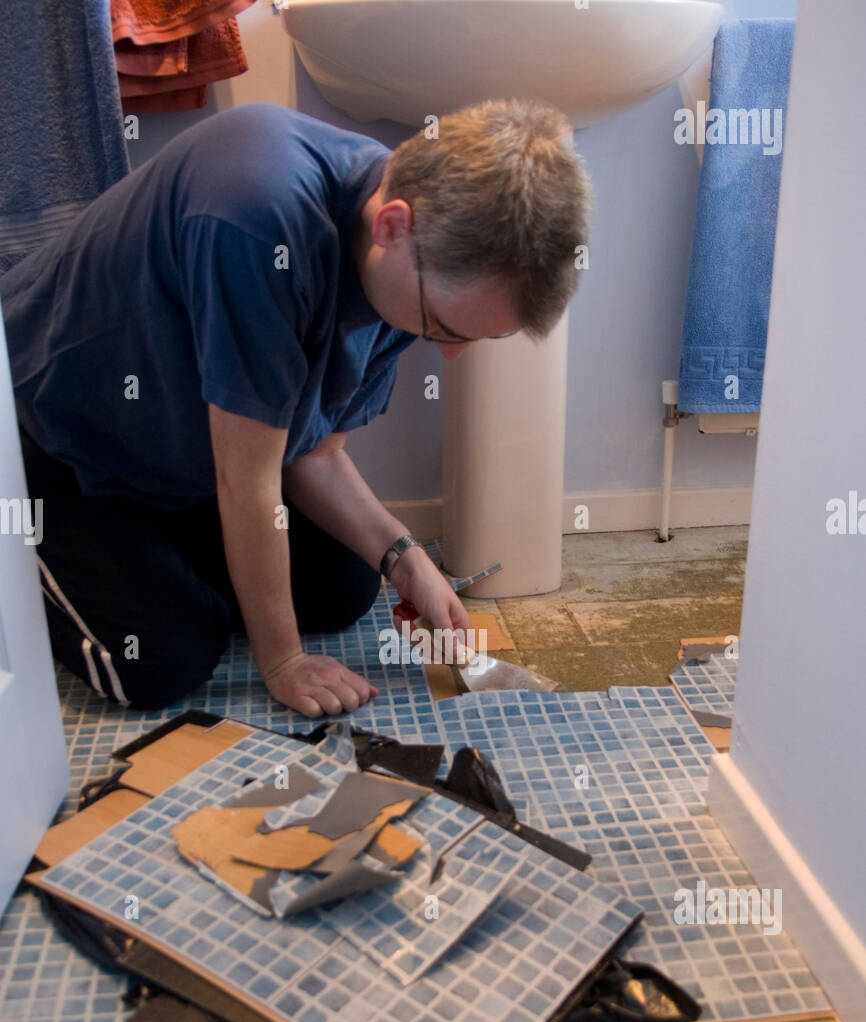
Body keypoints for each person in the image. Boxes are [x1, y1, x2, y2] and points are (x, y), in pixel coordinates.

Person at [0, 98, 592, 717]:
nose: (451, 353)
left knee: (343, 585)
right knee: (162, 659)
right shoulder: (255, 217)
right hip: (51, 440)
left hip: (170, 449)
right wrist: (283, 660)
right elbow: (248, 479)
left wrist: (407, 559)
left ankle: (149, 566)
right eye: (444, 326)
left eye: (479, 334)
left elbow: (313, 452)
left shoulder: (405, 250)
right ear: (393, 227)